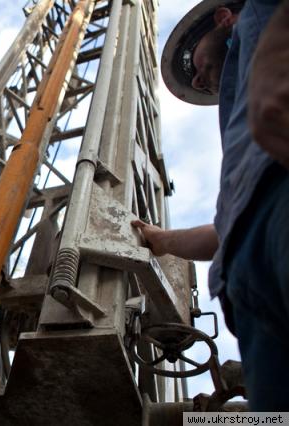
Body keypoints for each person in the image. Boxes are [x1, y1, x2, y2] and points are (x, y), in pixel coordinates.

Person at [133, 0, 288, 410]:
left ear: (222, 18)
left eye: (196, 63)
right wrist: (160, 240)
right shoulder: (240, 125)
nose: (199, 79)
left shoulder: (261, 18)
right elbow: (226, 233)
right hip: (249, 296)